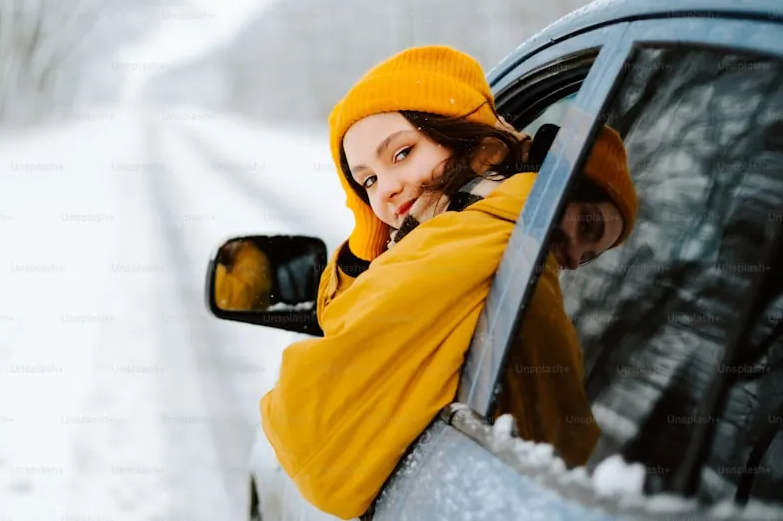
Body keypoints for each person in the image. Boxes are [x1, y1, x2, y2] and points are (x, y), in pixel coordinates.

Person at [258, 45, 639, 520]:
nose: (387, 189)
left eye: (403, 152)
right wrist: (370, 244)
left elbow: (312, 447)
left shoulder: (485, 234)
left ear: (476, 146)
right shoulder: (466, 235)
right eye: (368, 182)